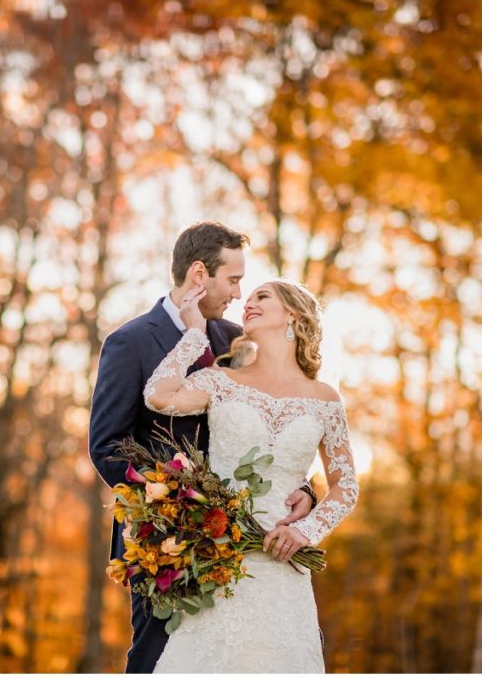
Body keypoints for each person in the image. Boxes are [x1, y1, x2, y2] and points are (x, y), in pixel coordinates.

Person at [88, 221, 318, 673]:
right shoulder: (129, 343)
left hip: (250, 539)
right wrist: (179, 507)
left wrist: (304, 488)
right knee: (159, 659)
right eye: (233, 279)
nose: (238, 293)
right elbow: (108, 446)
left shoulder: (238, 339)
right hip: (168, 542)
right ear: (199, 274)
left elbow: (275, 419)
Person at [144, 278, 360, 673]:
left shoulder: (325, 398)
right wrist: (195, 335)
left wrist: (305, 531)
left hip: (285, 566)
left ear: (292, 315)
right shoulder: (222, 381)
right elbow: (158, 394)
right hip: (223, 559)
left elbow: (345, 487)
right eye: (249, 297)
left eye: (262, 296)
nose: (247, 302)